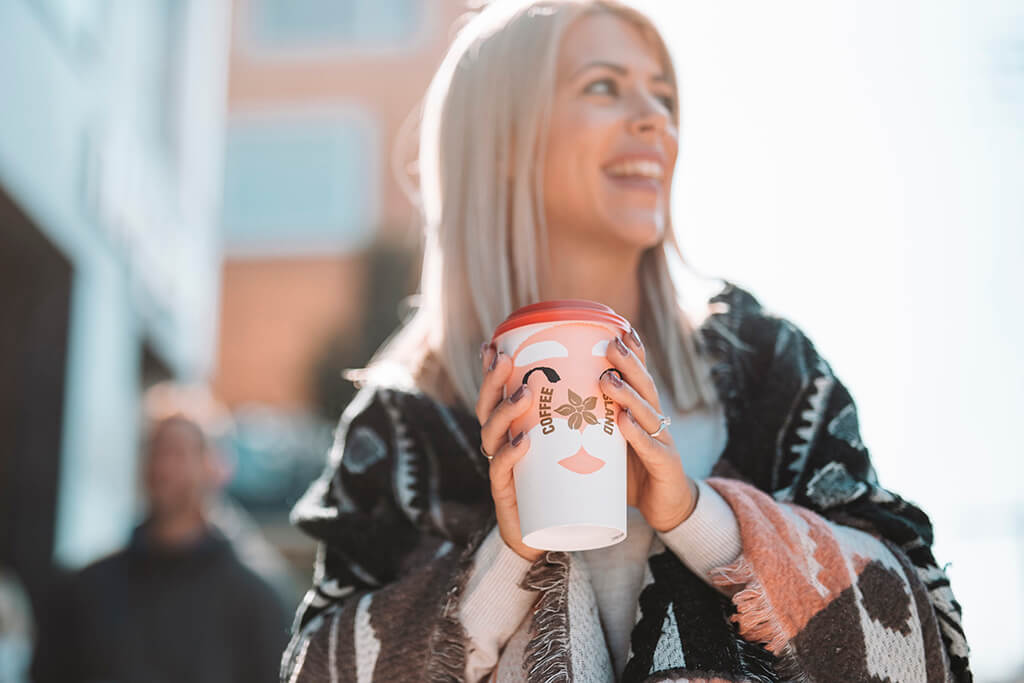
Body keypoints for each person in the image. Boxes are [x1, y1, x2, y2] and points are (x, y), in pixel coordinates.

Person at [281, 1, 972, 681]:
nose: (655, 120)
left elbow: (930, 638)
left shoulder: (768, 368)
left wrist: (701, 517)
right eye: (604, 86)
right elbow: (312, 666)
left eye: (663, 95)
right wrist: (507, 558)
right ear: (502, 141)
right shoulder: (404, 418)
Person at [31, 414, 289, 683]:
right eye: (156, 451)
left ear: (213, 467)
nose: (164, 467)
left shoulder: (254, 599)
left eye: (179, 453)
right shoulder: (87, 590)